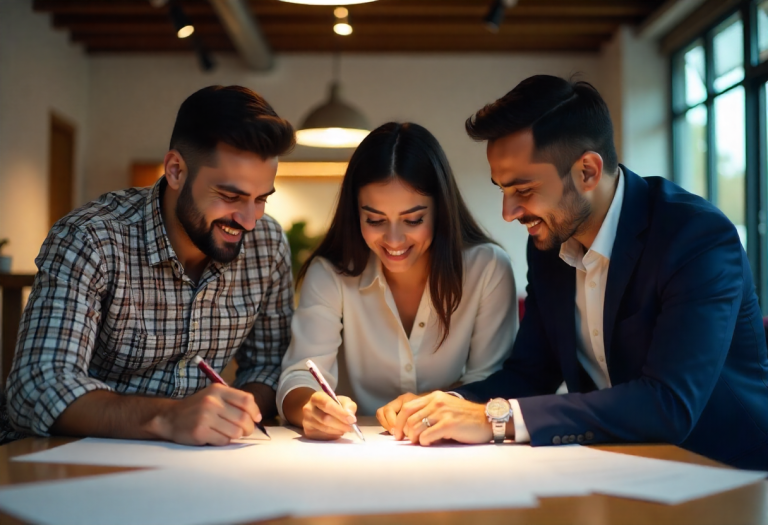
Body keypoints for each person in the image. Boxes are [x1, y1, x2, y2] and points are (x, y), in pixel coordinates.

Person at [390, 75, 768, 471]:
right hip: (614, 468)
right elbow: (531, 374)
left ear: (587, 171)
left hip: (724, 473)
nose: (508, 212)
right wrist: (446, 404)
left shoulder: (695, 237)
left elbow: (669, 404)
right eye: (502, 189)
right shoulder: (549, 245)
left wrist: (494, 420)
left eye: (523, 189)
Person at [2, 85, 296, 446]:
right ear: (175, 170)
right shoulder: (91, 238)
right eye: (230, 196)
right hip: (68, 457)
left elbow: (268, 365)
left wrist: (240, 410)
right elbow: (37, 389)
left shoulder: (267, 245)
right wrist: (169, 417)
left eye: (261, 199)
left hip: (194, 463)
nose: (250, 220)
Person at [277, 122, 518, 440]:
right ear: (356, 213)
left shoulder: (487, 268)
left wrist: (435, 404)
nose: (393, 239)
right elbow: (299, 376)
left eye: (413, 219)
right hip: (354, 451)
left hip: (453, 448)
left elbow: (493, 379)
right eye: (374, 220)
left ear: (440, 210)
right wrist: (311, 408)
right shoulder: (330, 273)